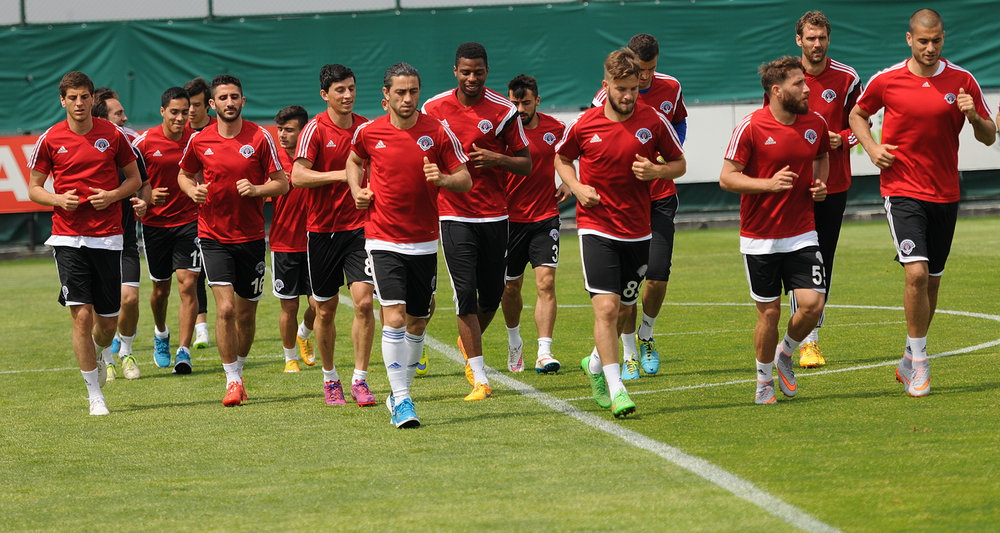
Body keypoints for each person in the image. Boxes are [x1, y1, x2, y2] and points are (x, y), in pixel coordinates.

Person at [849, 9, 996, 397]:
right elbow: (857, 114)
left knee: (931, 281)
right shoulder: (887, 79)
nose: (930, 48)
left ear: (943, 38)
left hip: (945, 194)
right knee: (915, 272)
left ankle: (907, 357)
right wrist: (872, 148)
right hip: (901, 190)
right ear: (909, 39)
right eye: (923, 41)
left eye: (937, 41)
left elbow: (988, 136)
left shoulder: (963, 80)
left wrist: (973, 116)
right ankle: (920, 361)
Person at [555, 48, 685, 418]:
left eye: (633, 88)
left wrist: (657, 172)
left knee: (626, 308)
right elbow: (561, 157)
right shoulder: (585, 124)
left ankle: (594, 364)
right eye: (621, 88)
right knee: (607, 307)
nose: (628, 95)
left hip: (637, 230)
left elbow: (679, 164)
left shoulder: (653, 121)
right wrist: (577, 188)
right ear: (606, 85)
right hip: (596, 227)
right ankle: (618, 389)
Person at [347, 62, 471, 427]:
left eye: (413, 91)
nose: (407, 98)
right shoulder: (369, 132)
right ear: (385, 95)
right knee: (396, 316)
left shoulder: (437, 131)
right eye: (400, 92)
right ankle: (402, 399)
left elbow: (465, 179)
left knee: (418, 320)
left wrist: (443, 178)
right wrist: (356, 190)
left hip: (424, 241)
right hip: (382, 237)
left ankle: (399, 392)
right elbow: (354, 161)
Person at [27, 71, 142, 415]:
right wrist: (57, 199)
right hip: (67, 238)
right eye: (72, 97)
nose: (79, 103)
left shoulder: (113, 134)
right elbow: (34, 188)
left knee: (107, 324)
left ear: (93, 99)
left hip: (108, 238)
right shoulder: (50, 138)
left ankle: (101, 351)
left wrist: (113, 195)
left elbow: (134, 179)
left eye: (84, 97)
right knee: (80, 315)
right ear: (62, 100)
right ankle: (95, 395)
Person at [422, 42, 531, 400]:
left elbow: (526, 163)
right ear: (455, 71)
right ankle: (480, 377)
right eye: (465, 72)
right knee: (465, 294)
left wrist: (498, 159)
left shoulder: (503, 110)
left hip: (495, 214)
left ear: (487, 72)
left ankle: (467, 342)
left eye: (478, 72)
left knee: (493, 295)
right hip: (453, 213)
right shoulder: (433, 108)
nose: (472, 78)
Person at [720, 56, 831, 404]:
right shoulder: (751, 126)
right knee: (769, 314)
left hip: (802, 232)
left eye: (805, 82)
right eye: (799, 84)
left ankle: (786, 353)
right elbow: (727, 178)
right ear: (776, 91)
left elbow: (822, 155)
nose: (806, 89)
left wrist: (821, 184)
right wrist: (767, 185)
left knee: (813, 304)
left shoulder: (815, 123)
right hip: (760, 239)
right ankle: (763, 380)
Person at [178, 74, 289, 406]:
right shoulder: (199, 140)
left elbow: (282, 183)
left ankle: (238, 369)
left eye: (234, 97)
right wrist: (192, 190)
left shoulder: (260, 137)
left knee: (246, 314)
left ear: (243, 101)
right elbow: (184, 174)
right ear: (213, 104)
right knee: (225, 308)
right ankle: (232, 380)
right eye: (223, 98)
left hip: (251, 237)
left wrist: (256, 189)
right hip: (212, 236)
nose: (229, 102)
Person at [592, 33, 688, 381]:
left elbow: (679, 123)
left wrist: (663, 158)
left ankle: (646, 335)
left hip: (660, 197)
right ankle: (629, 351)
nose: (645, 77)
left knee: (657, 276)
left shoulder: (671, 88)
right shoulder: (605, 96)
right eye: (640, 70)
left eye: (651, 69)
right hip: (622, 203)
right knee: (625, 286)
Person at [292, 64, 377, 407]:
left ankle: (360, 380)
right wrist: (343, 175)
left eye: (351, 88)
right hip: (322, 232)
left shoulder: (366, 128)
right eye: (340, 90)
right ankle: (330, 379)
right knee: (325, 311)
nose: (348, 95)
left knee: (365, 303)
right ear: (325, 95)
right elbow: (298, 176)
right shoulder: (314, 129)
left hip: (360, 229)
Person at [790, 11, 863, 368]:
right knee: (799, 259)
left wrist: (842, 139)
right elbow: (769, 122)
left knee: (823, 260)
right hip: (795, 185)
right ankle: (804, 341)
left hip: (833, 184)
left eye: (822, 38)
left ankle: (811, 338)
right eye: (811, 38)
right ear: (799, 40)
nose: (817, 44)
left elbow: (861, 123)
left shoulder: (848, 78)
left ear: (828, 39)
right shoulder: (785, 77)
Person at [501, 74, 570, 374]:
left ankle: (544, 351)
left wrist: (569, 182)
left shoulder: (556, 129)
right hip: (508, 221)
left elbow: (570, 157)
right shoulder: (501, 132)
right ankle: (514, 340)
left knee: (546, 283)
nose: (520, 109)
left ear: (537, 100)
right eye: (514, 103)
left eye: (526, 102)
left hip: (545, 218)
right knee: (511, 288)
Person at [134, 86, 201, 374]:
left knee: (188, 283)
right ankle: (161, 333)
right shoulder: (144, 142)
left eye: (185, 112)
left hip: (190, 222)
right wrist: (146, 197)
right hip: (155, 225)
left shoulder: (196, 140)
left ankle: (184, 351)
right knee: (161, 290)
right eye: (174, 112)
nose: (180, 118)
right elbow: (127, 180)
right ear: (162, 111)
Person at [92, 87, 149, 380]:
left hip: (124, 239)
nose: (125, 118)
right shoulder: (86, 151)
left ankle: (126, 351)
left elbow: (144, 183)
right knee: (99, 307)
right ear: (102, 119)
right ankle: (104, 357)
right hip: (94, 241)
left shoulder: (130, 147)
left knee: (129, 299)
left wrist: (144, 201)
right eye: (119, 113)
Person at [269, 105, 318, 374]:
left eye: (289, 130)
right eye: (280, 129)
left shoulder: (313, 158)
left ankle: (304, 333)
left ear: (303, 131)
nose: (282, 135)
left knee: (318, 304)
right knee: (289, 306)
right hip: (284, 243)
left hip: (314, 241)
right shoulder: (272, 160)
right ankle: (290, 358)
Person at [183, 76, 215, 350]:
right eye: (187, 106)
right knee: (193, 274)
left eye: (195, 105)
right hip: (184, 215)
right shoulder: (179, 131)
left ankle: (221, 322)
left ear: (208, 105)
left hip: (217, 215)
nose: (190, 111)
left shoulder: (220, 129)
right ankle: (201, 327)